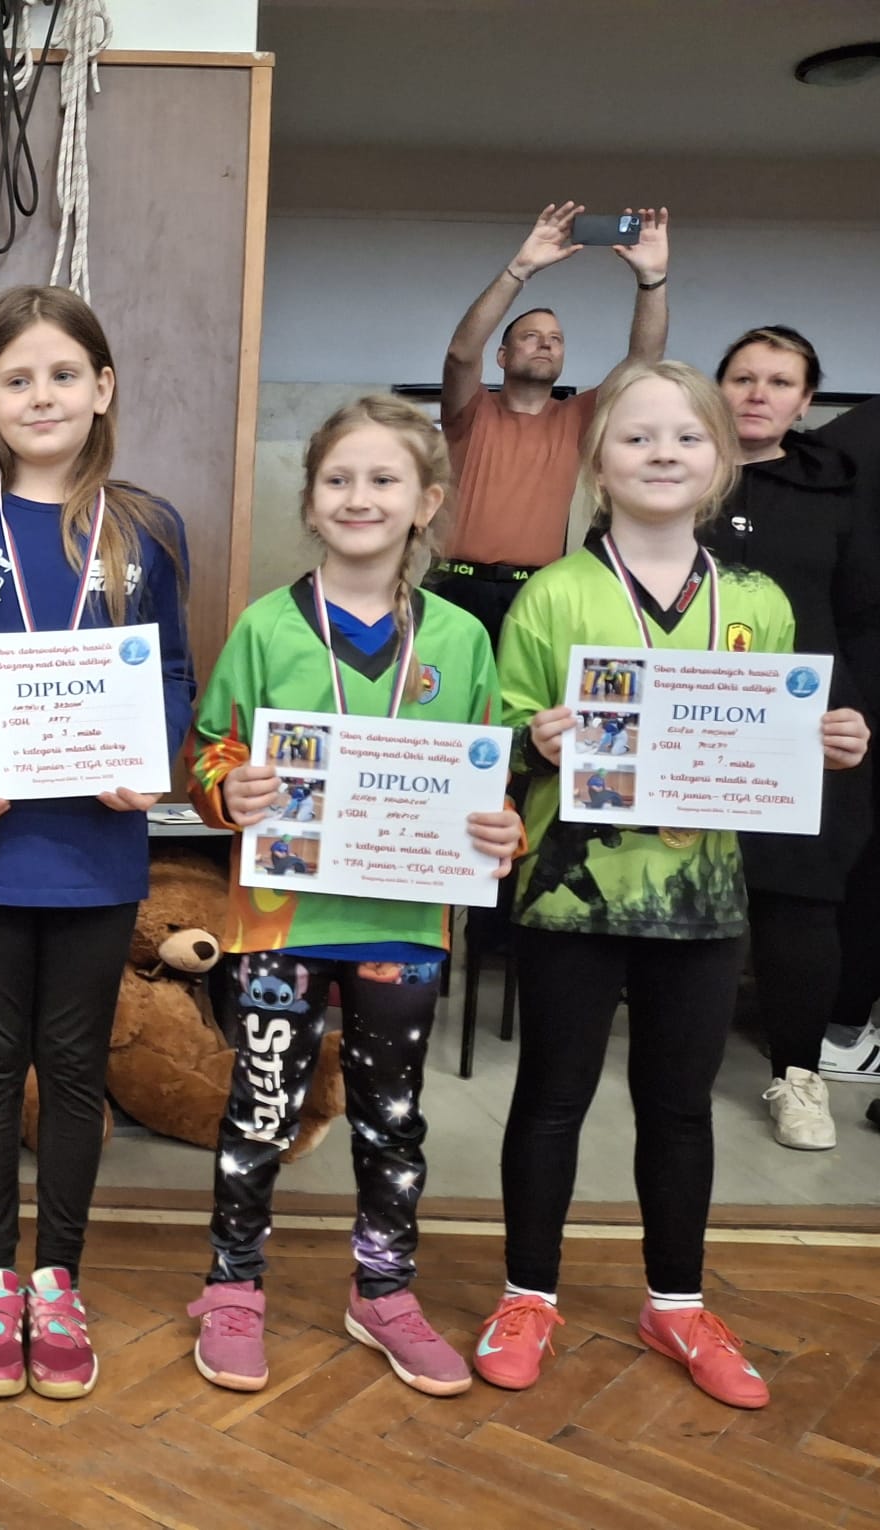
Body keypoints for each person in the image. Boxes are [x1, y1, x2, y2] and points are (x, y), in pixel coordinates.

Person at [483, 361, 869, 1410]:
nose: (663, 453)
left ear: (720, 461)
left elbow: (778, 737)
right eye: (638, 436)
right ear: (598, 463)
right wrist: (531, 737)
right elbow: (496, 735)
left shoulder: (759, 602)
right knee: (552, 1097)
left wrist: (827, 740)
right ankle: (527, 1294)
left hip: (703, 899)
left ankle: (678, 1302)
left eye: (686, 437)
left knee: (679, 1106)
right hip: (571, 893)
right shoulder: (555, 593)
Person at [0, 286, 194, 1402]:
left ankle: (57, 1280)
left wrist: (151, 758)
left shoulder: (148, 528)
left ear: (103, 387)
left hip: (97, 853)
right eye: (17, 378)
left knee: (72, 1070)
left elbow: (170, 670)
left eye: (64, 374)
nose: (42, 395)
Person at [187, 394, 518, 1398]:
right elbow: (211, 752)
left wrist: (501, 827)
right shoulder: (265, 626)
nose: (358, 496)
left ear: (427, 501)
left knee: (393, 1118)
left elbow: (486, 776)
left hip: (403, 924)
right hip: (281, 922)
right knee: (261, 1109)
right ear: (310, 499)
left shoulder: (460, 638)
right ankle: (233, 1285)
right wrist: (228, 792)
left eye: (383, 479)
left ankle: (383, 1290)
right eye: (337, 479)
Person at [702, 327, 880, 1135]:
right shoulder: (676, 473)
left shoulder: (837, 492)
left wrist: (858, 715)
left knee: (798, 902)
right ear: (717, 389)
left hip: (807, 732)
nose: (758, 394)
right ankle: (671, 1069)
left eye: (779, 382)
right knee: (683, 893)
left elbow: (862, 616)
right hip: (692, 729)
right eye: (743, 378)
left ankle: (798, 1080)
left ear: (806, 402)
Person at [431, 206, 672, 645]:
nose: (545, 344)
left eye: (555, 339)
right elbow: (461, 354)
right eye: (531, 336)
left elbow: (643, 362)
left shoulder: (578, 418)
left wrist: (652, 279)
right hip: (455, 588)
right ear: (503, 356)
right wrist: (520, 269)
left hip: (539, 593)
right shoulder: (472, 411)